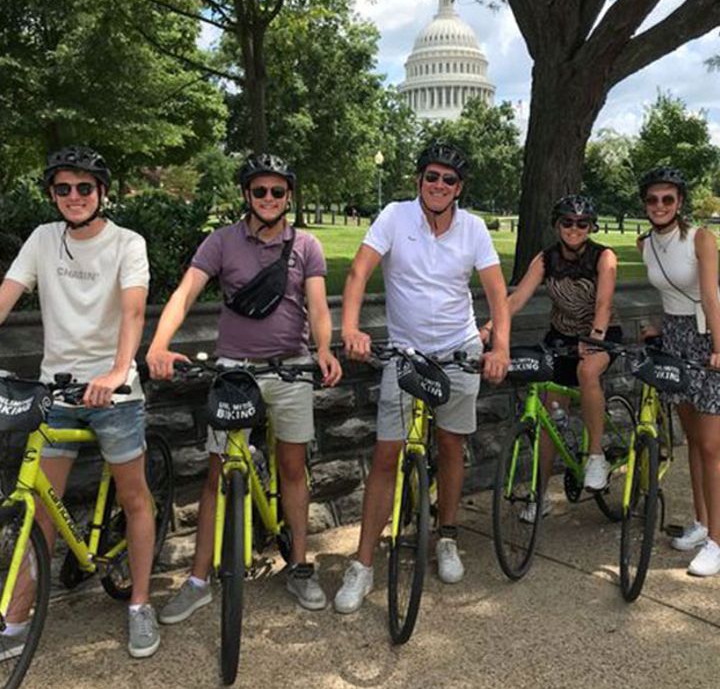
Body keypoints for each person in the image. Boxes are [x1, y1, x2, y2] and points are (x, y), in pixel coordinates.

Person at [146, 153, 341, 618]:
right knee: (216, 474)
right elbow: (185, 293)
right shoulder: (220, 242)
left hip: (291, 367)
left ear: (288, 196)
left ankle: (299, 566)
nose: (269, 199)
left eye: (277, 191)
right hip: (235, 370)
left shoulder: (307, 246)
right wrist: (158, 344)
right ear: (246, 195)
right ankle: (197, 580)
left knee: (293, 469)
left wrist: (325, 349)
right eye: (260, 191)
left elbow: (318, 307)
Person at [334, 141, 510, 614]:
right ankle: (363, 563)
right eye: (431, 176)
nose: (439, 185)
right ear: (419, 180)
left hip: (459, 348)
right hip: (406, 354)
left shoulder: (473, 228)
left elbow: (496, 293)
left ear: (460, 188)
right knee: (387, 454)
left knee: (452, 445)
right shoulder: (394, 216)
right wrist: (349, 328)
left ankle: (447, 536)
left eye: (449, 180)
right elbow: (357, 273)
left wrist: (500, 348)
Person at [0, 146, 158, 658]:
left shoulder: (127, 243)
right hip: (57, 391)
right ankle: (15, 620)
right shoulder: (44, 240)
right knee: (39, 505)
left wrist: (117, 371)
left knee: (135, 499)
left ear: (102, 193)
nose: (73, 197)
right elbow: (7, 291)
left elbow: (133, 313)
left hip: (115, 392)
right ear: (52, 194)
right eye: (63, 188)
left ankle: (139, 603)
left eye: (84, 188)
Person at [482, 195, 621, 521]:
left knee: (588, 372)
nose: (574, 229)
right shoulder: (546, 259)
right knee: (548, 420)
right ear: (558, 225)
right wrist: (489, 328)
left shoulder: (604, 257)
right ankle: (540, 495)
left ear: (591, 227)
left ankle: (596, 456)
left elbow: (603, 303)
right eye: (567, 222)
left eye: (582, 223)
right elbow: (515, 299)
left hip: (600, 335)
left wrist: (595, 338)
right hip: (560, 339)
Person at [638, 166, 720, 576]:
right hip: (674, 335)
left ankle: (717, 542)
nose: (659, 206)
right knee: (691, 440)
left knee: (711, 446)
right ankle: (702, 523)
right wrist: (659, 326)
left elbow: (708, 294)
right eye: (653, 199)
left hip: (707, 335)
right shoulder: (645, 244)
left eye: (667, 199)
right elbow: (668, 292)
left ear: (680, 202)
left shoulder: (701, 238)